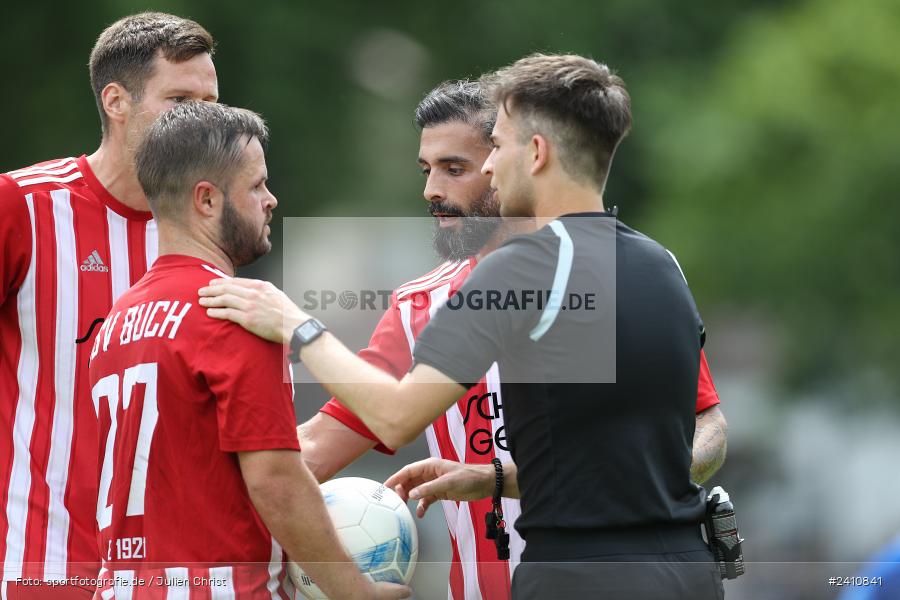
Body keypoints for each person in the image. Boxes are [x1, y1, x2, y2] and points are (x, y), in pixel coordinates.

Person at [199, 53, 726, 599]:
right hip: (687, 572)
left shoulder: (523, 267)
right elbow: (616, 459)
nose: (491, 166)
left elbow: (396, 416)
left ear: (537, 153)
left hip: (575, 576)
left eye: (492, 149)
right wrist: (495, 479)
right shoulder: (658, 264)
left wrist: (297, 326)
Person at [88, 101, 409, 599]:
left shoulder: (116, 319)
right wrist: (355, 593)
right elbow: (275, 479)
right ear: (208, 200)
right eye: (257, 185)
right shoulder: (239, 311)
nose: (271, 199)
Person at [0, 13, 217, 598]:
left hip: (166, 576)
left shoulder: (210, 228)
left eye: (211, 101)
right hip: (39, 565)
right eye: (179, 99)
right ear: (116, 101)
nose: (201, 120)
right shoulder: (23, 206)